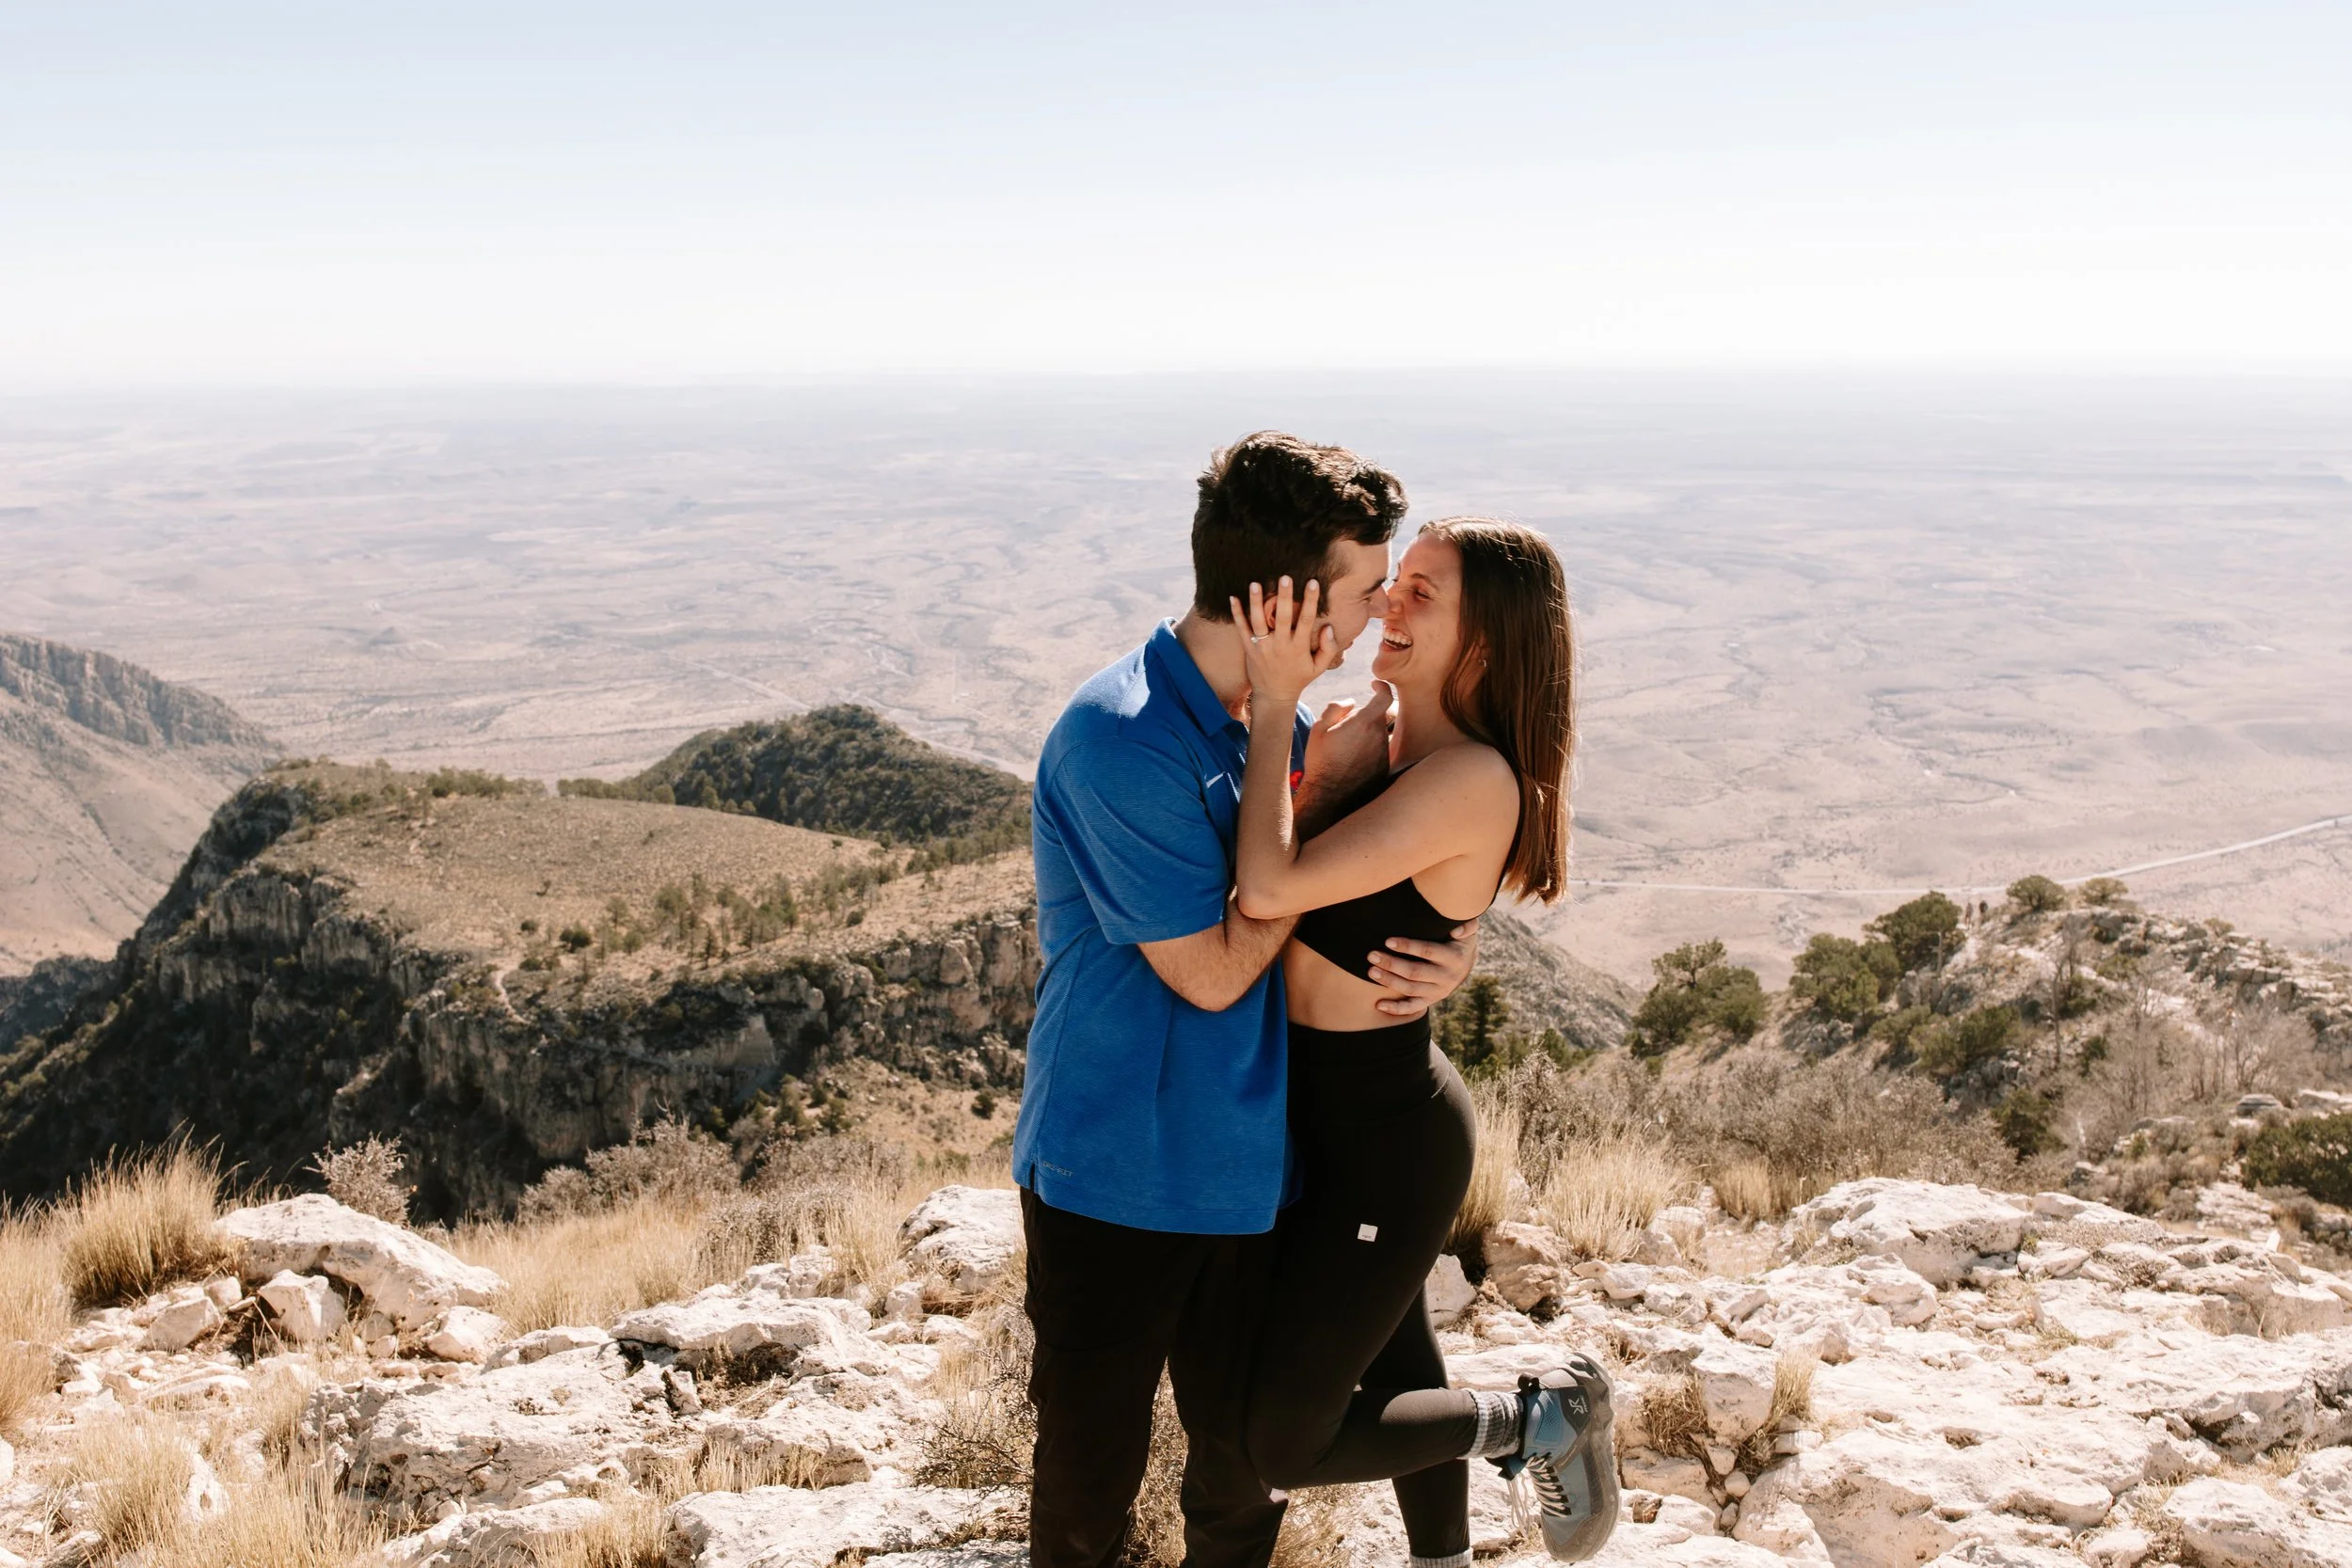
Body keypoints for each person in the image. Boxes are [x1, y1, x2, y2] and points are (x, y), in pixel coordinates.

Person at [1011, 433, 1482, 1568]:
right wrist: (1309, 785)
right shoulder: (1119, 739)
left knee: (1240, 1483)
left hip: (1252, 1169)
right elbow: (1219, 969)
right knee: (1088, 1486)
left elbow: (1321, 892)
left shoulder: (1267, 726)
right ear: (1279, 598)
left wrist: (1450, 948)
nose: (1377, 616)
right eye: (1365, 587)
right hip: (1117, 1174)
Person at [1230, 520, 1617, 1565]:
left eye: (1421, 596)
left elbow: (1267, 886)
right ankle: (1441, 1559)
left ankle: (1544, 1411)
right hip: (1325, 1118)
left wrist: (1279, 713)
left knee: (1284, 1436)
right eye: (1393, 586)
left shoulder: (1473, 778)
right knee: (1403, 1378)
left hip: (1381, 1141)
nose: (1387, 608)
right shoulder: (1392, 737)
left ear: (1483, 641)